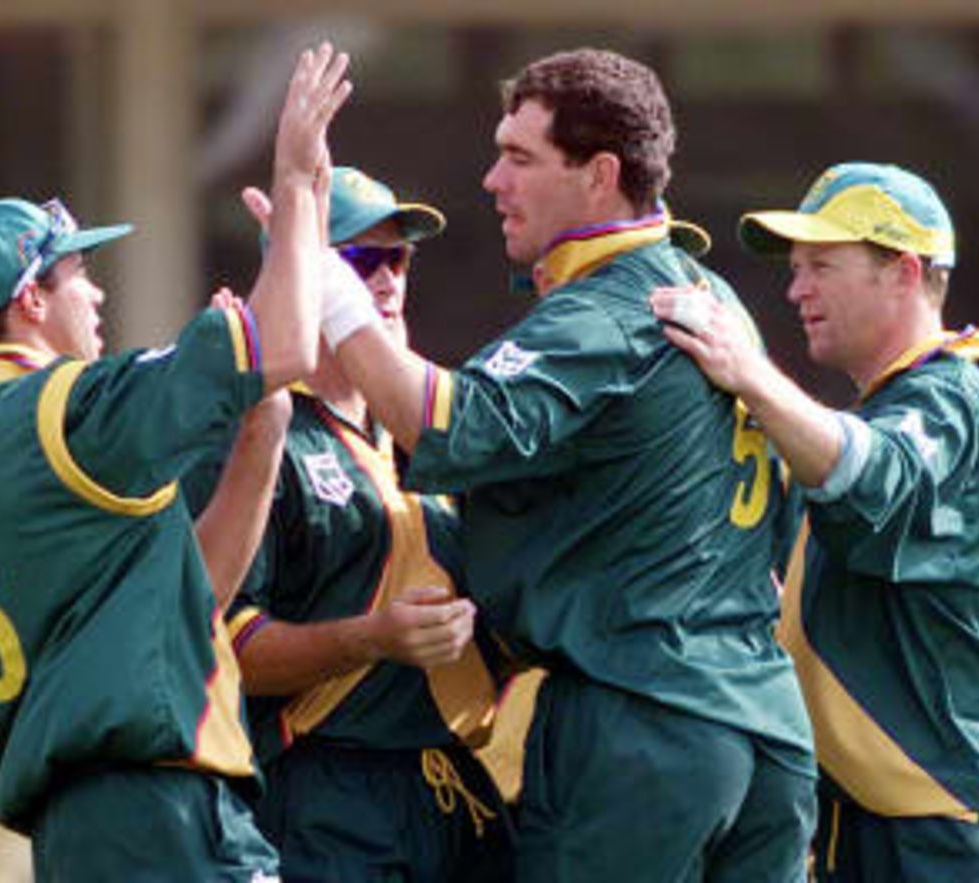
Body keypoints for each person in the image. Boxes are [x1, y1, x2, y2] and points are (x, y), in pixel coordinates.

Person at [317, 49, 817, 882]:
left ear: (600, 176)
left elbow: (450, 426)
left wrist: (330, 283)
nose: (491, 180)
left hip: (643, 733)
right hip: (764, 731)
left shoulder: (612, 307)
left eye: (519, 157)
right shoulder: (715, 299)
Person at [0, 44, 350, 882]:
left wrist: (261, 434)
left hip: (93, 825)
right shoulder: (64, 408)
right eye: (80, 272)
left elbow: (197, 598)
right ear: (30, 299)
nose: (99, 292)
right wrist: (299, 184)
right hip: (155, 809)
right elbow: (292, 341)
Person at [650, 161, 979, 881]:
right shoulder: (892, 405)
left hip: (958, 827)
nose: (795, 289)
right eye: (794, 267)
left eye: (821, 264)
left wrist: (746, 370)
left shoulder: (952, 401)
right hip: (877, 820)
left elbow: (871, 474)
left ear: (904, 272)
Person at [185, 165, 515, 882]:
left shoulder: (428, 427)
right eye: (362, 261)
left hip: (454, 784)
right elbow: (224, 640)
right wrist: (371, 637)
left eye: (399, 257)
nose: (389, 280)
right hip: (327, 784)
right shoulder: (256, 429)